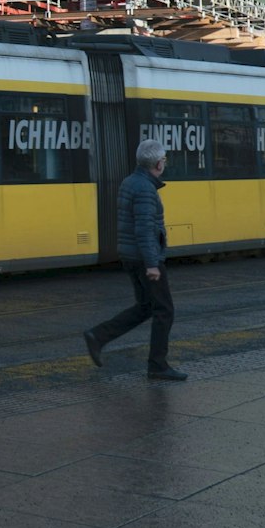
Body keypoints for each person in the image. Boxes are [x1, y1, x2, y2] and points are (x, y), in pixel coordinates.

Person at [83, 138, 186, 381]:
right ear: (159, 163)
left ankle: (98, 336)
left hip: (131, 255)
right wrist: (152, 264)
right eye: (164, 160)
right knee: (164, 310)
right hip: (144, 257)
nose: (164, 164)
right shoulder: (145, 189)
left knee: (146, 306)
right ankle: (157, 365)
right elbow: (144, 229)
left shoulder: (130, 181)